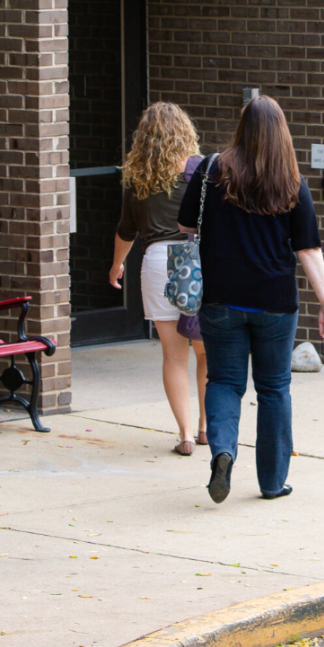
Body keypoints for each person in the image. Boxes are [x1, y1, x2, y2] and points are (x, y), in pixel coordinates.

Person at [178, 95, 324, 503]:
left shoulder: (211, 170)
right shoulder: (292, 183)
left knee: (225, 382)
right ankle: (271, 482)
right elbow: (308, 250)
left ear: (242, 129)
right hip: (274, 302)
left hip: (220, 298)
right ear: (280, 133)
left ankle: (224, 452)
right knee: (274, 388)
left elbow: (183, 224)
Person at [110, 102, 207, 453]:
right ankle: (204, 427)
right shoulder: (200, 170)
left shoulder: (138, 176)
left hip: (155, 263)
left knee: (172, 356)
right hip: (195, 264)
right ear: (186, 131)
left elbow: (126, 230)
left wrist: (116, 265)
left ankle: (183, 435)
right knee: (205, 352)